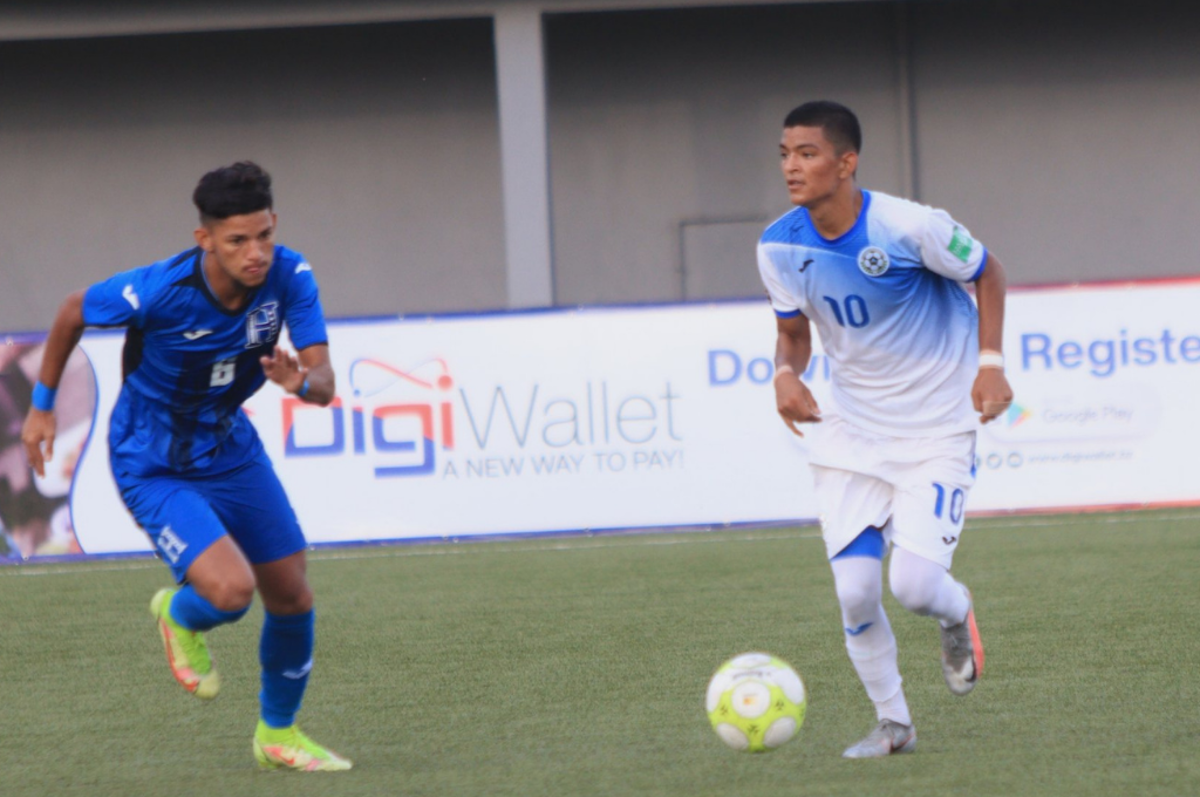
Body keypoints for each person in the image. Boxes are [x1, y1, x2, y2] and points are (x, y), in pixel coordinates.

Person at [21, 162, 351, 772]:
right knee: (230, 592)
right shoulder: (158, 291)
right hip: (153, 460)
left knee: (293, 596)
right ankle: (178, 614)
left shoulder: (291, 274)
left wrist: (302, 383)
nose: (255, 254)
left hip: (230, 448)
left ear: (273, 225)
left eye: (263, 237)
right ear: (205, 240)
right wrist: (41, 409)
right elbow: (72, 311)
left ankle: (277, 735)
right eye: (237, 241)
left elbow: (326, 384)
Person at [757, 101, 1013, 758]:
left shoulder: (909, 225)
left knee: (915, 587)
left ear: (847, 163)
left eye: (807, 153)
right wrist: (785, 375)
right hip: (850, 432)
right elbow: (792, 336)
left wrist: (991, 364)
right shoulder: (779, 244)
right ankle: (895, 723)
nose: (791, 166)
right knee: (856, 590)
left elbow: (988, 271)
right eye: (785, 153)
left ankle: (956, 611)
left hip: (935, 431)